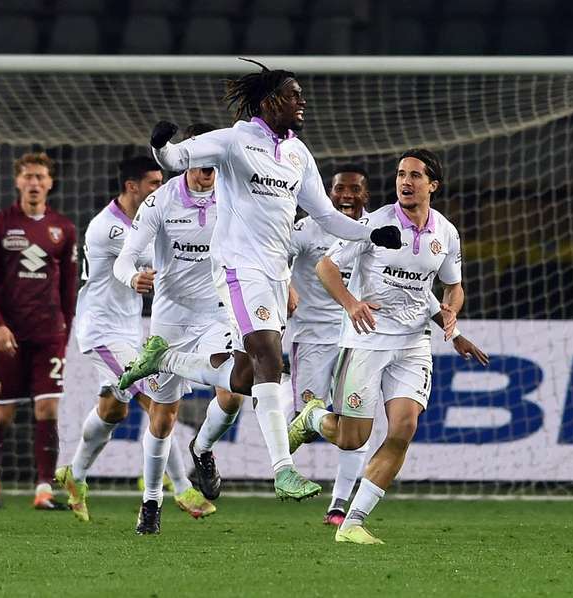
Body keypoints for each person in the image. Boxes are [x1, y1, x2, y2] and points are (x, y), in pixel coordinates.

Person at [119, 59, 403, 501]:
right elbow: (175, 158)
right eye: (294, 95)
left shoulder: (297, 154)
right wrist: (160, 144)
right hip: (237, 266)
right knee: (269, 355)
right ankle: (283, 470)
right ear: (271, 102)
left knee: (243, 377)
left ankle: (166, 359)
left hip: (275, 270)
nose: (302, 101)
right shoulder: (234, 140)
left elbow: (325, 215)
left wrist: (370, 232)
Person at [288, 148, 487, 544]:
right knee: (352, 438)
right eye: (400, 174)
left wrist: (452, 316)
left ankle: (353, 522)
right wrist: (352, 303)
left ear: (433, 185)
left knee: (404, 428)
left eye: (415, 176)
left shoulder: (445, 233)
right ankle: (311, 417)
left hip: (414, 344)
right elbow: (325, 267)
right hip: (367, 341)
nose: (405, 182)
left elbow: (453, 286)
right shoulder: (374, 224)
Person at [55, 156, 214, 524]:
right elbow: (159, 258)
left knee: (114, 409)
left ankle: (75, 476)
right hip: (103, 332)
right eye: (153, 184)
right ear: (132, 187)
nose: (160, 190)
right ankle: (181, 486)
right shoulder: (110, 228)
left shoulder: (143, 220)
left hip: (128, 330)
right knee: (155, 399)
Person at [114, 124, 243, 534]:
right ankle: (151, 502)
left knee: (235, 387)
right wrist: (131, 278)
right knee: (163, 418)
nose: (208, 170)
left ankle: (202, 448)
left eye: (214, 163)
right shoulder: (161, 201)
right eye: (200, 162)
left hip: (217, 313)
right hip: (170, 317)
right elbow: (127, 255)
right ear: (185, 159)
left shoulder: (236, 196)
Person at [0, 152, 77, 510]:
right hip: (10, 335)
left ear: (50, 183)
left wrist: (68, 325)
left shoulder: (63, 229)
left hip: (48, 332)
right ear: (18, 181)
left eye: (40, 177)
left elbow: (68, 286)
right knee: (2, 413)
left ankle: (44, 489)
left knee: (48, 409)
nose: (34, 183)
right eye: (28, 176)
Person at [287, 164, 372, 525]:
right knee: (308, 424)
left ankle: (339, 505)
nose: (347, 196)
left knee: (358, 419)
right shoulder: (307, 227)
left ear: (365, 195)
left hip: (359, 337)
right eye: (339, 189)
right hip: (313, 337)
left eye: (354, 189)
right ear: (329, 192)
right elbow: (274, 253)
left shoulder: (375, 230)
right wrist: (285, 285)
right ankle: (289, 412)